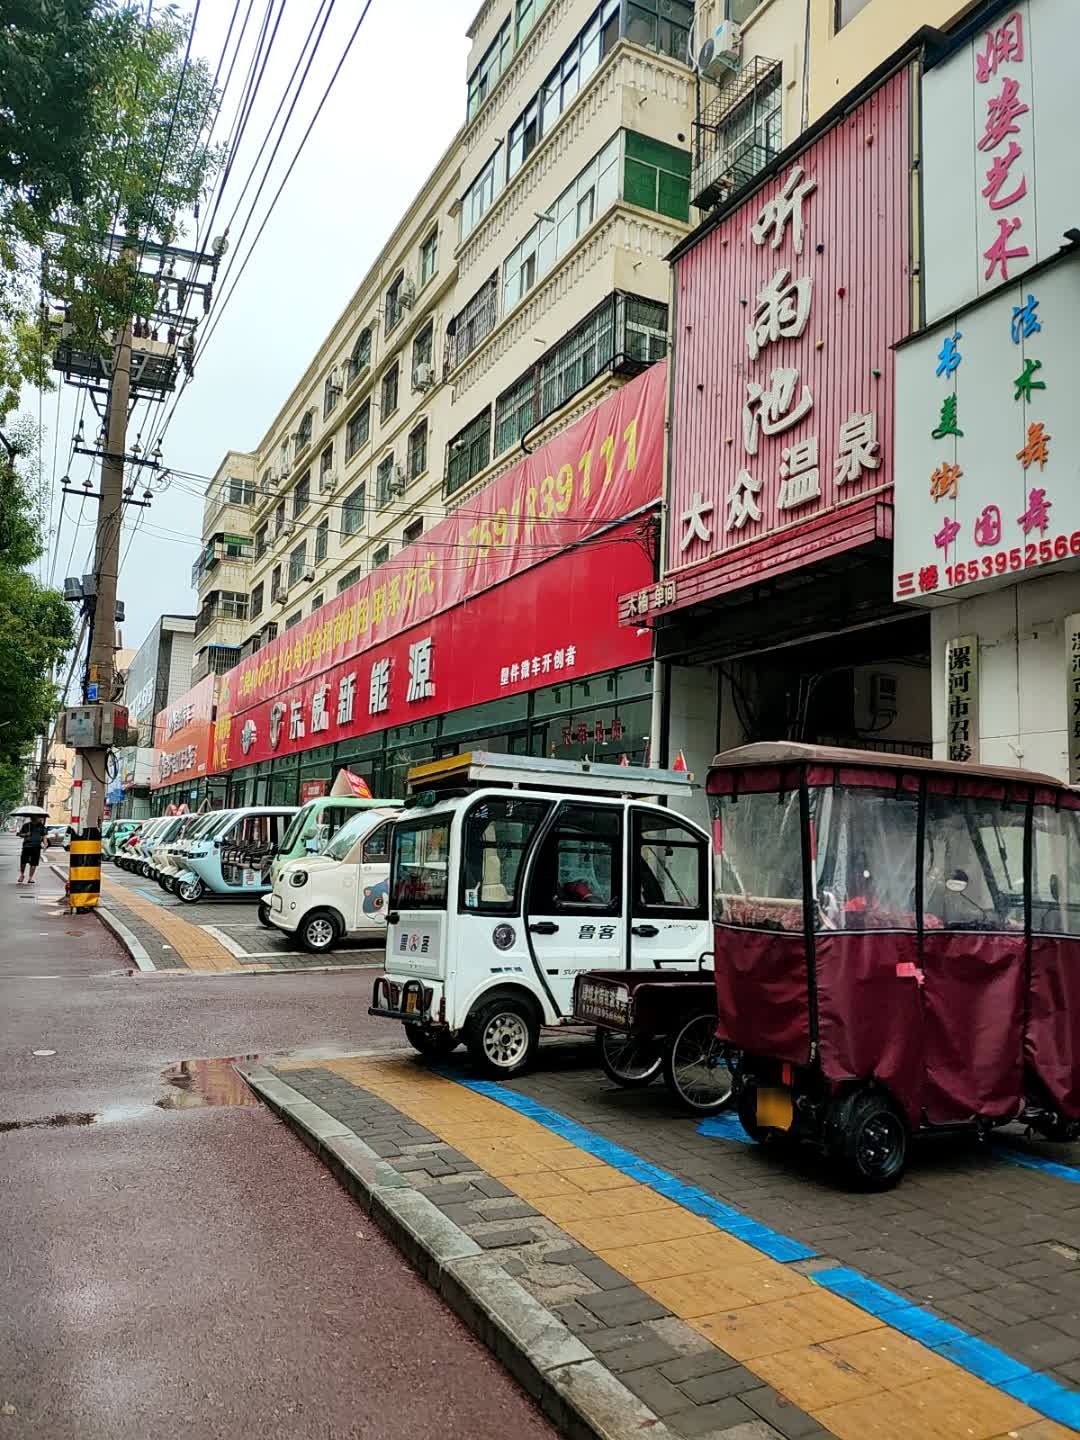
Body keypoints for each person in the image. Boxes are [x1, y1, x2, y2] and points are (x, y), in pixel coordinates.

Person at [17, 816, 46, 884]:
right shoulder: (26, 825)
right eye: (39, 818)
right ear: (33, 818)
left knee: (34, 863)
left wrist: (45, 844)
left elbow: (44, 836)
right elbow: (19, 834)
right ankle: (22, 875)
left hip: (36, 847)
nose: (40, 819)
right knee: (23, 862)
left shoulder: (41, 826)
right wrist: (26, 834)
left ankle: (30, 878)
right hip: (27, 846)